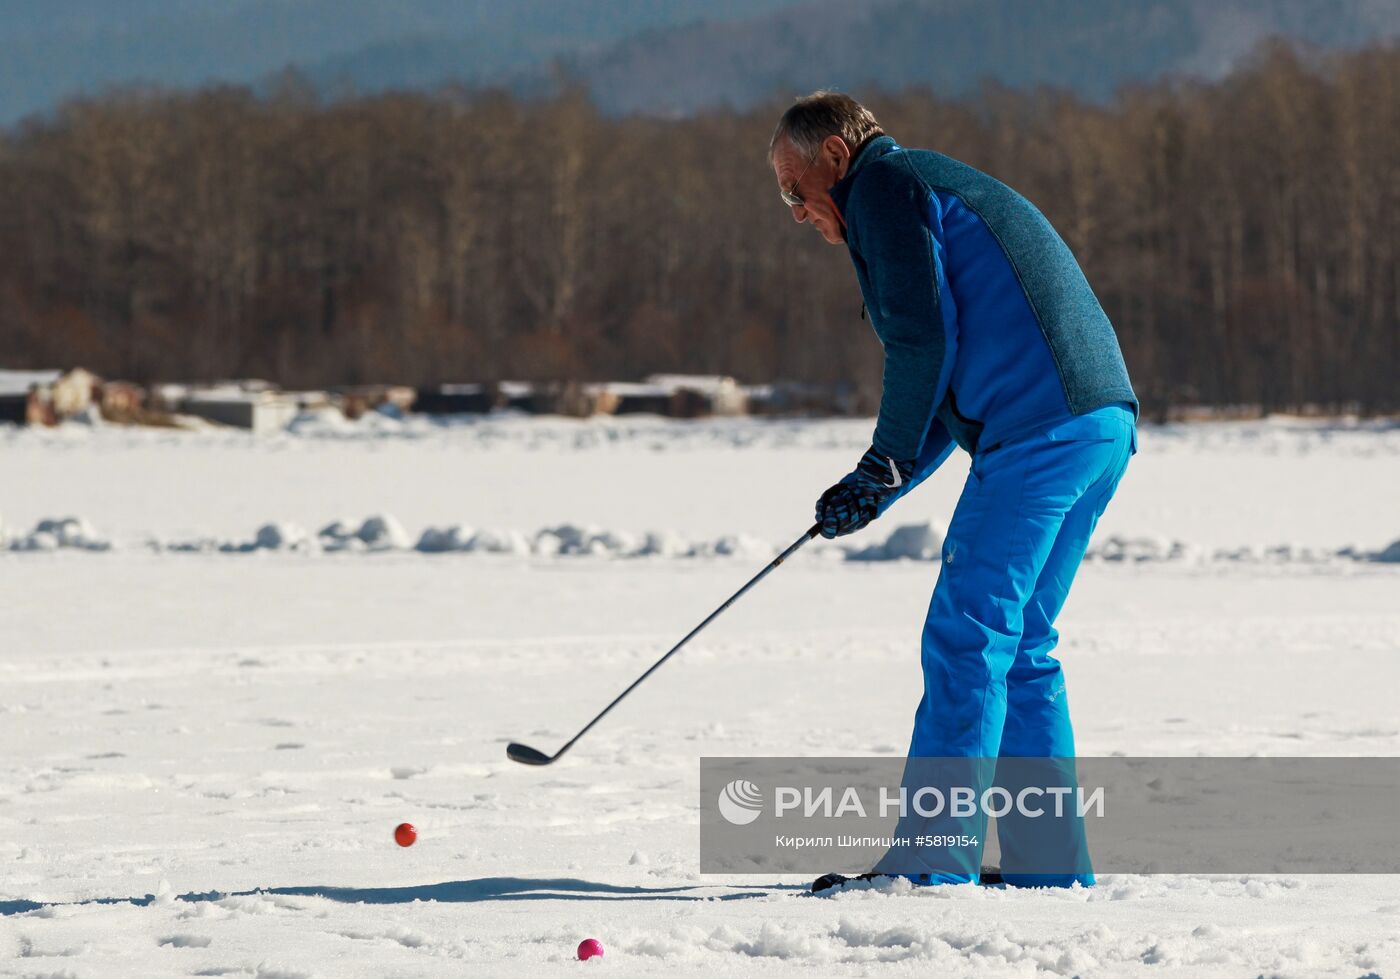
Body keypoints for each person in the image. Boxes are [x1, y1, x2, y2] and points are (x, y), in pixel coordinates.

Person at [769, 91, 1138, 892]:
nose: (796, 211)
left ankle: (932, 861)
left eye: (795, 189)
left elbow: (922, 340)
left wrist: (881, 462)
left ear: (836, 155)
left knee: (967, 637)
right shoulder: (916, 187)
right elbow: (944, 375)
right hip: (1095, 426)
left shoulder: (886, 191)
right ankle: (1049, 866)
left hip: (1040, 433)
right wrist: (880, 484)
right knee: (1021, 644)